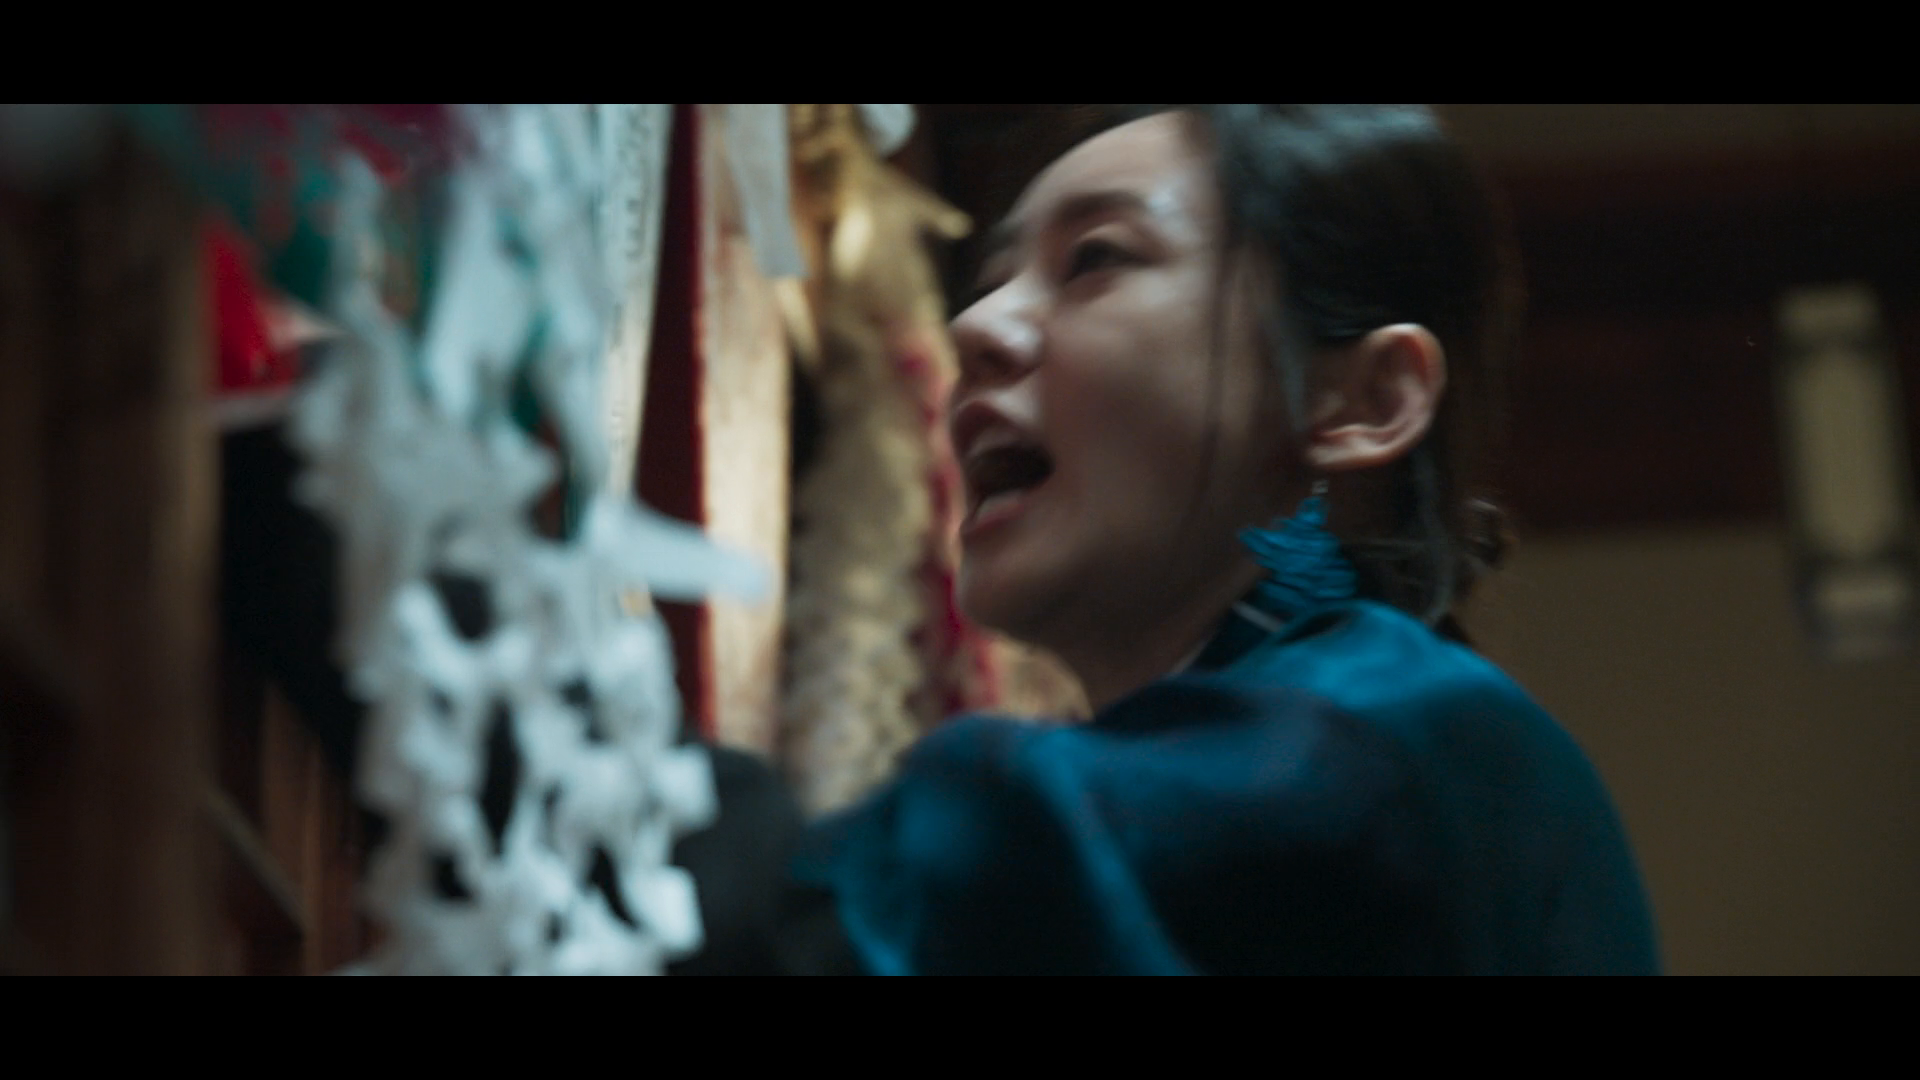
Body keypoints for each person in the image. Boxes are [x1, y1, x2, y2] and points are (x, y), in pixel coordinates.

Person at [774, 105, 1659, 975]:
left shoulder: (1396, 738)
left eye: (1095, 259)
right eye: (992, 280)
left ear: (1365, 400)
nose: (973, 327)